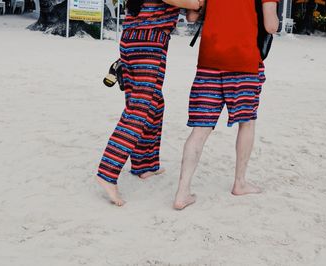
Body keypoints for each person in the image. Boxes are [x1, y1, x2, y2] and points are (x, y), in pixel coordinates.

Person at [173, 0, 280, 210]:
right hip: (244, 60)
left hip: (209, 59)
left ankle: (182, 192)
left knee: (200, 130)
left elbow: (192, 17)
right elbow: (271, 26)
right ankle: (239, 183)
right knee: (247, 123)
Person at [97, 0, 204, 206]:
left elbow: (190, 13)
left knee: (154, 103)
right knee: (140, 108)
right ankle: (107, 172)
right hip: (148, 41)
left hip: (138, 39)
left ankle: (144, 164)